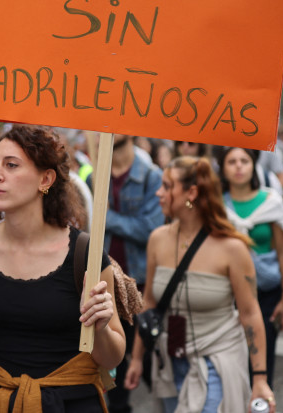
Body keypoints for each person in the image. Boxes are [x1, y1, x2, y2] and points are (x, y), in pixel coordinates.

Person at [0, 124, 126, 412]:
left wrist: (100, 327)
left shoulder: (86, 254)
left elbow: (111, 359)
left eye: (11, 165)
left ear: (45, 179)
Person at [125, 156, 275, 413]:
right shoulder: (157, 240)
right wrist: (137, 358)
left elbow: (250, 314)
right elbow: (149, 302)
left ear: (191, 192)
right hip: (170, 363)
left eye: (167, 186)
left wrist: (260, 379)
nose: (159, 193)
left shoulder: (233, 248)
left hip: (216, 361)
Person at [218, 147, 283, 387]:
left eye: (244, 161)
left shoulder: (271, 201)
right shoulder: (217, 206)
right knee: (229, 362)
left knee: (262, 358)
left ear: (254, 166)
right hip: (226, 295)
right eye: (232, 161)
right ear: (223, 168)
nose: (239, 166)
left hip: (266, 293)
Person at [104, 134, 164, 413]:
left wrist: (106, 217)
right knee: (113, 357)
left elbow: (149, 230)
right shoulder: (97, 174)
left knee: (148, 354)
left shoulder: (151, 175)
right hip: (107, 282)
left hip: (140, 283)